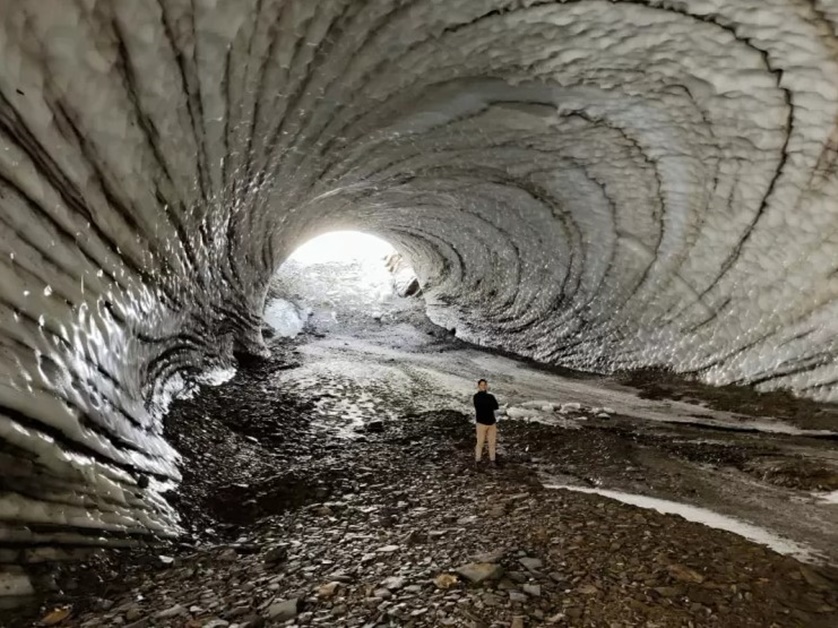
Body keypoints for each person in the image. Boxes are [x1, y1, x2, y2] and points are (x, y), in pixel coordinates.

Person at [473, 378, 499, 466]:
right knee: (480, 443)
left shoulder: (490, 396)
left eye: (485, 385)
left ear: (486, 386)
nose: (483, 387)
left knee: (492, 443)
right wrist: (489, 404)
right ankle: (478, 460)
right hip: (481, 423)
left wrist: (488, 405)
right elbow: (484, 406)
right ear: (478, 386)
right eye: (481, 385)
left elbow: (496, 406)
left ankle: (492, 460)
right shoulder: (476, 397)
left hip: (492, 423)